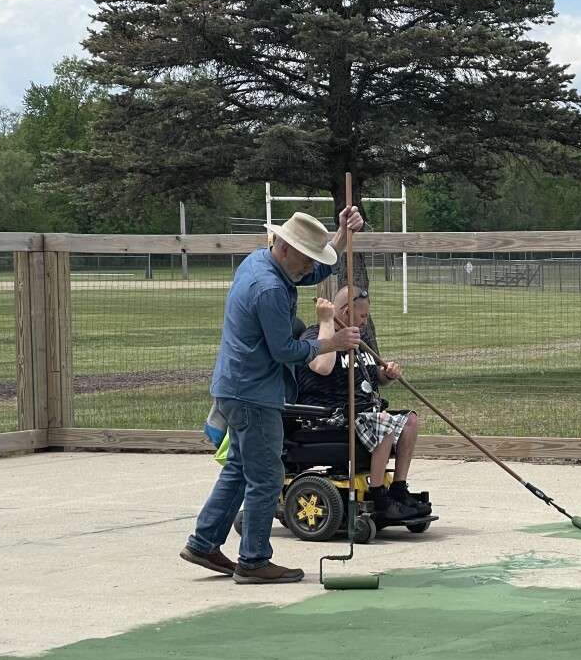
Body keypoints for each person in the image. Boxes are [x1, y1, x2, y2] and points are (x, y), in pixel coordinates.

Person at [180, 210, 364, 584]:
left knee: (239, 468)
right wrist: (333, 342)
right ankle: (253, 560)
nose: (312, 264)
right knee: (266, 476)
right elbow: (284, 350)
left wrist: (342, 234)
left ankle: (204, 542)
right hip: (253, 393)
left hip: (234, 387)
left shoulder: (262, 262)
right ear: (285, 250)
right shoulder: (269, 289)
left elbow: (315, 270)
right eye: (307, 255)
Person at [295, 286, 423, 520]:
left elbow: (377, 379)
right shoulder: (313, 337)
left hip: (365, 413)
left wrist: (388, 374)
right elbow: (322, 367)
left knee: (410, 421)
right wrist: (329, 327)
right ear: (344, 312)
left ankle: (398, 489)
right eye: (362, 316)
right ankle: (377, 496)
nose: (365, 322)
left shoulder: (361, 339)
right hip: (331, 417)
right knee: (383, 422)